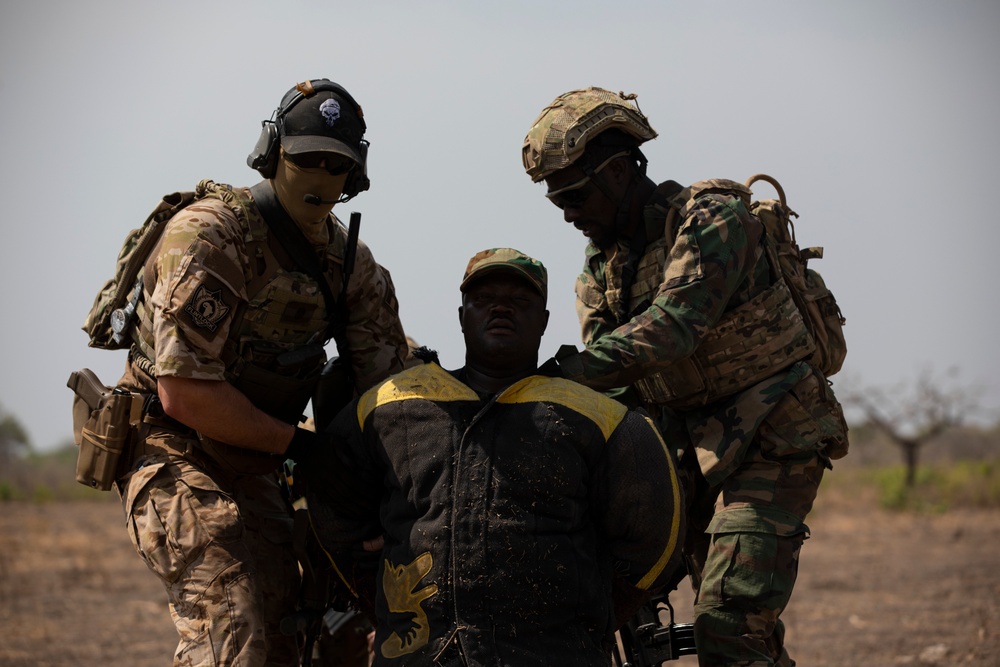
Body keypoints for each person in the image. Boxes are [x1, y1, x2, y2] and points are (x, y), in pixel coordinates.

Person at [522, 88, 849, 667]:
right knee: (728, 629)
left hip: (775, 437)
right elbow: (614, 386)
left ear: (619, 172)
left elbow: (672, 329)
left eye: (574, 195)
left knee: (726, 624)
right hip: (690, 457)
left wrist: (553, 374)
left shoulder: (712, 220)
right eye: (557, 203)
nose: (568, 213)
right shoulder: (600, 273)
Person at [112, 78, 408, 666]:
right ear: (273, 154)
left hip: (258, 459)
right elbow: (183, 393)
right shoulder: (212, 236)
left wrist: (389, 500)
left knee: (284, 632)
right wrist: (301, 447)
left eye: (336, 164)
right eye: (306, 159)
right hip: (168, 444)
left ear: (357, 174)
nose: (321, 176)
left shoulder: (354, 268)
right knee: (231, 617)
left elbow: (388, 394)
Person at [298, 248, 685, 667]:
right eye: (483, 300)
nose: (501, 308)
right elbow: (333, 508)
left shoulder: (600, 418)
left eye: (520, 302)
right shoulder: (389, 406)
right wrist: (386, 596)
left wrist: (584, 617)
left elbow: (654, 546)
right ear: (462, 316)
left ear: (544, 322)